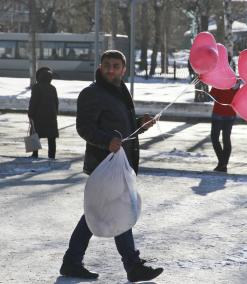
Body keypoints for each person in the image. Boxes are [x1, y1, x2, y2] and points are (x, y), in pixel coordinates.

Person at [59, 50, 163, 282]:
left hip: (119, 163)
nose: (111, 69)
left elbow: (121, 127)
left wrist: (140, 124)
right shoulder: (92, 93)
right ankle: (132, 265)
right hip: (103, 164)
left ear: (123, 69)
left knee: (99, 212)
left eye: (116, 66)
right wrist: (107, 142)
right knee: (118, 209)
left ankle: (72, 261)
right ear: (100, 65)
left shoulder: (119, 90)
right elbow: (84, 127)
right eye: (107, 65)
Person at [210, 79, 241, 173]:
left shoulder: (220, 81)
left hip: (218, 113)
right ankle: (223, 164)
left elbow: (212, 94)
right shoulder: (236, 84)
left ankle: (222, 163)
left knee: (215, 138)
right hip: (230, 114)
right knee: (226, 139)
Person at [28, 67, 58, 159]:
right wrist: (55, 113)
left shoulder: (36, 87)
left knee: (34, 133)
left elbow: (33, 101)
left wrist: (30, 113)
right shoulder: (53, 88)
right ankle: (52, 155)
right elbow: (56, 102)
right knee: (51, 136)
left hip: (38, 116)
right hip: (51, 116)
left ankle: (35, 153)